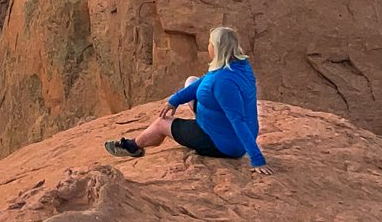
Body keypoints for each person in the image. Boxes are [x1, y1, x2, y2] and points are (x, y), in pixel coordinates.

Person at [105, 26, 269, 175]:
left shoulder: (223, 83)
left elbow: (237, 120)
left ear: (218, 48)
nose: (208, 47)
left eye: (210, 44)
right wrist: (175, 100)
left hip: (222, 143)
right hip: (219, 124)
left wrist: (257, 159)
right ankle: (193, 122)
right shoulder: (239, 65)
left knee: (161, 123)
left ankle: (133, 146)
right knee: (191, 80)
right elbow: (203, 83)